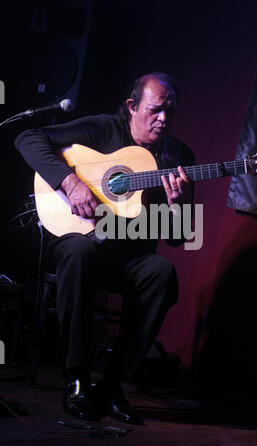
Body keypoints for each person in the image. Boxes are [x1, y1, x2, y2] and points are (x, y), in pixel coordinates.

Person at [15, 72, 195, 424]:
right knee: (79, 253)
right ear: (132, 107)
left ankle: (113, 385)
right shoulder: (102, 130)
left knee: (162, 272)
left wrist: (178, 205)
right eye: (156, 110)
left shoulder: (178, 156)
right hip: (84, 244)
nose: (164, 120)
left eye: (170, 113)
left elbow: (177, 236)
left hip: (130, 257)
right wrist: (70, 181)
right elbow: (28, 138)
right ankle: (77, 379)